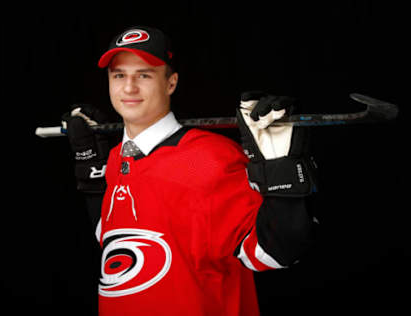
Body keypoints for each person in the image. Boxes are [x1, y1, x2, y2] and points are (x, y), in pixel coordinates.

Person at [62, 26, 318, 316]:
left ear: (171, 83)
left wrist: (281, 170)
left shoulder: (212, 157)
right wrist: (90, 169)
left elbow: (275, 253)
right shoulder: (115, 159)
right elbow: (112, 239)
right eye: (119, 75)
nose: (129, 87)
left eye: (144, 75)